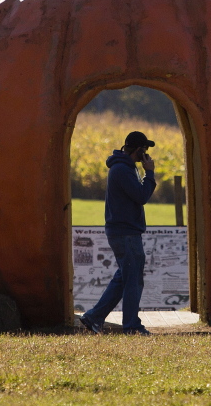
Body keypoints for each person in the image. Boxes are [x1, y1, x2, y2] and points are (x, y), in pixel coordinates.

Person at [79, 130, 157, 336]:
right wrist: (150, 173)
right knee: (133, 280)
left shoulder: (124, 167)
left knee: (124, 278)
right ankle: (132, 326)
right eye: (145, 149)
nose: (147, 153)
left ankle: (94, 317)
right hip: (126, 233)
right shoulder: (123, 170)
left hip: (122, 231)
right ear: (139, 150)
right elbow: (141, 196)